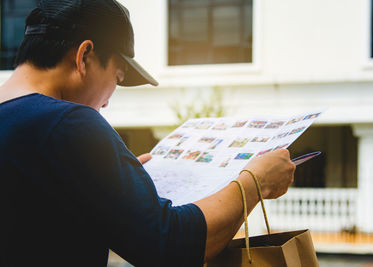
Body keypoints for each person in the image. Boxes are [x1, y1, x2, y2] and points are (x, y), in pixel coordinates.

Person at [0, 0, 295, 266]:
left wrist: (115, 185)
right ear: (85, 55)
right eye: (117, 77)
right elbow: (169, 246)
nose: (106, 101)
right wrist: (255, 181)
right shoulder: (70, 122)